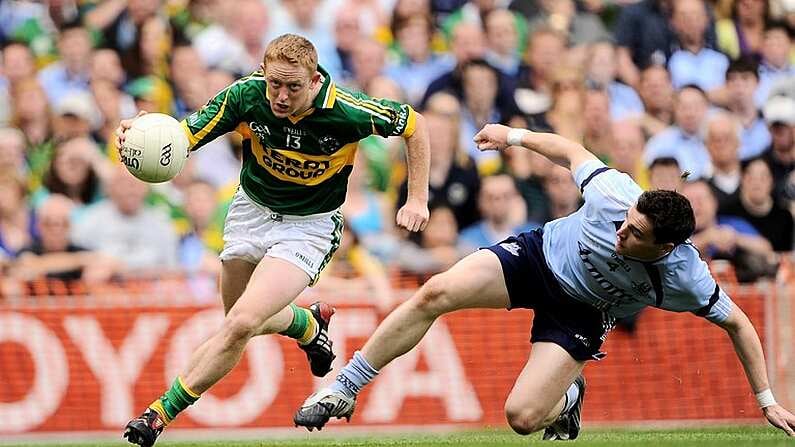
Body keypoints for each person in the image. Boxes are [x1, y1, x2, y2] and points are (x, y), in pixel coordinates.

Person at [293, 123, 795, 440]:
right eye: (626, 219)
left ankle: (569, 399)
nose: (622, 229)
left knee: (523, 418)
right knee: (436, 292)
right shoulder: (616, 195)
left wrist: (766, 399)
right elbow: (569, 150)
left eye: (635, 233)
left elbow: (740, 326)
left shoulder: (686, 276)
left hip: (582, 311)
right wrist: (512, 137)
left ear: (665, 247)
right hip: (537, 257)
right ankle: (346, 386)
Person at [116, 34, 430, 447]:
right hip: (250, 212)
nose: (281, 96)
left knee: (241, 322)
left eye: (293, 87)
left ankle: (158, 414)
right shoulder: (245, 97)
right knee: (238, 317)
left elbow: (414, 124)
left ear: (315, 79)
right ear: (263, 74)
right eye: (274, 84)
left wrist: (418, 198)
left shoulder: (348, 110)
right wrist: (145, 136)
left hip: (309, 227)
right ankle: (306, 323)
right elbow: (184, 135)